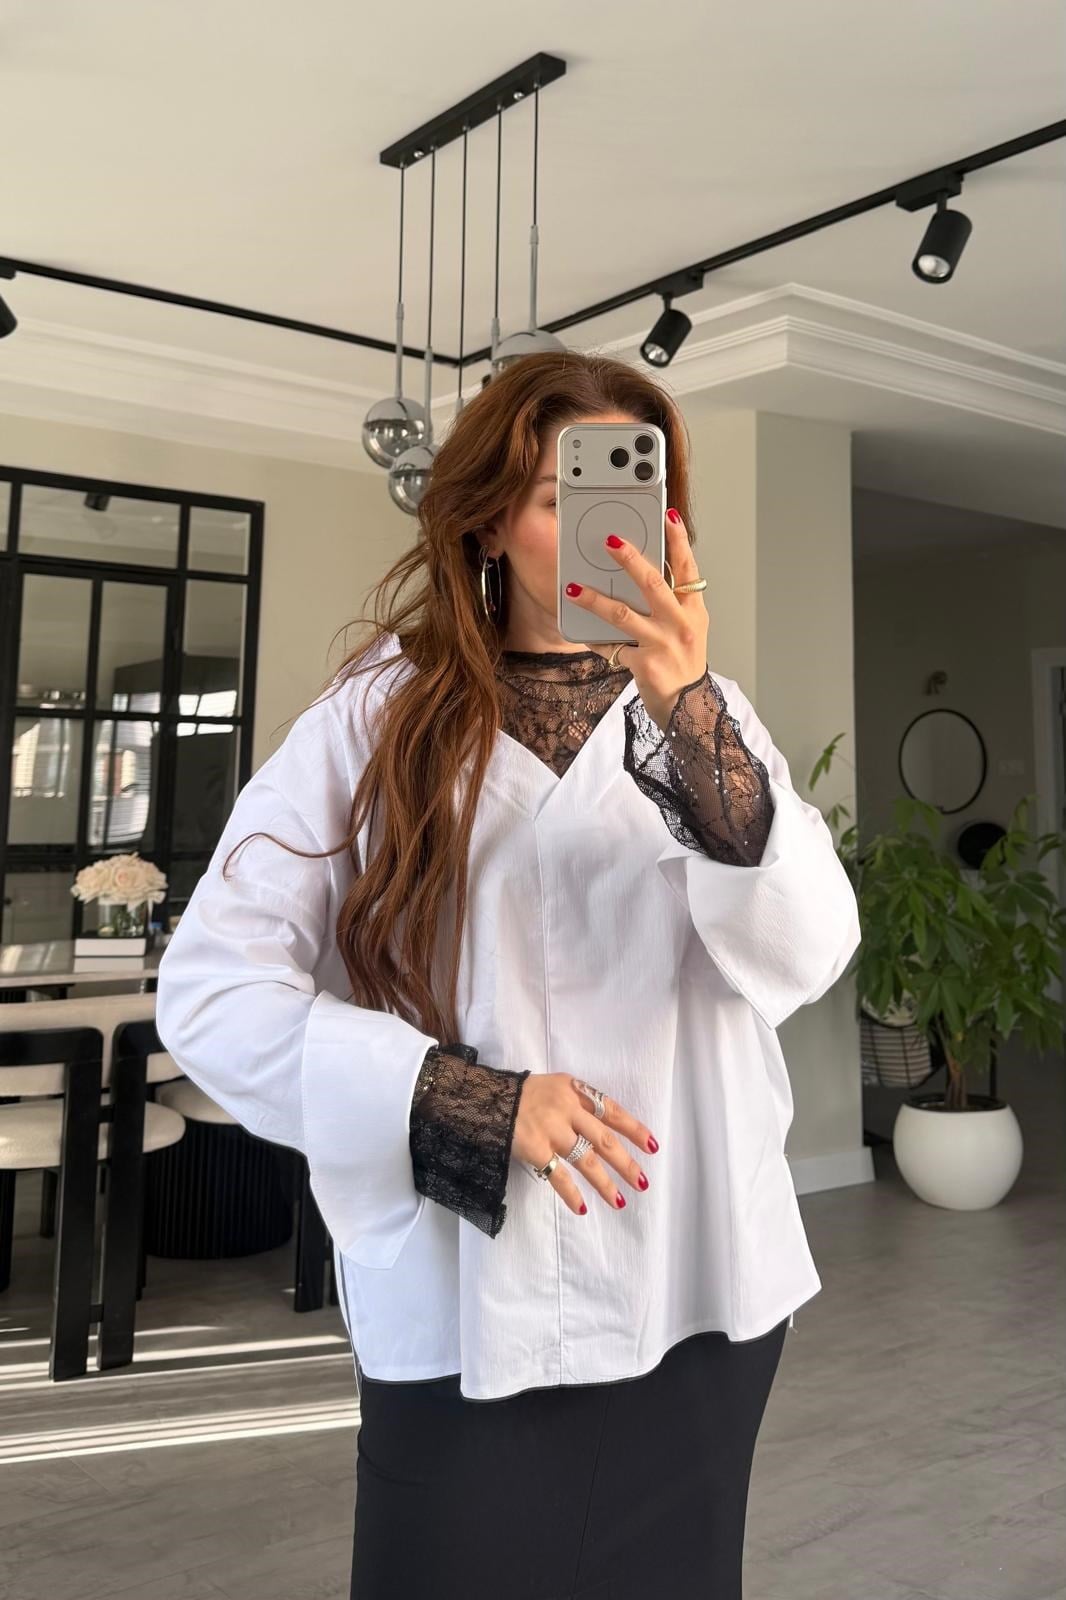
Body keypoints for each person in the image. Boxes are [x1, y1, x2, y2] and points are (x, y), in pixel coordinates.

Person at [155, 350, 861, 1600]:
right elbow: (212, 991)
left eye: (637, 493)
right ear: (486, 520)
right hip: (469, 1290)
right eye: (560, 495)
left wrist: (691, 715)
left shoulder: (709, 718)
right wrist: (455, 1097)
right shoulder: (374, 717)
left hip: (697, 1271)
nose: (611, 529)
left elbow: (809, 948)